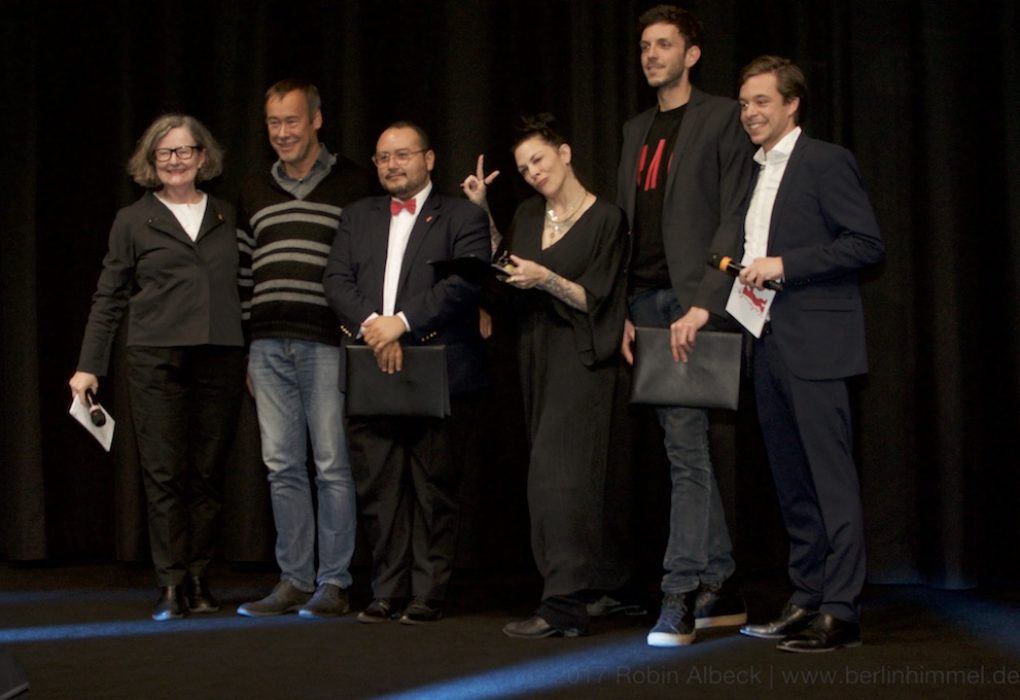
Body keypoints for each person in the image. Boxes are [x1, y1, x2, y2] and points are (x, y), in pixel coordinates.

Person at [615, 5, 755, 647]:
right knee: (683, 448)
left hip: (691, 302)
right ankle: (721, 583)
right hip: (644, 304)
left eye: (664, 44)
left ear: (691, 54)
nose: (651, 55)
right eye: (645, 45)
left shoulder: (721, 115)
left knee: (686, 450)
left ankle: (680, 590)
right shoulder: (634, 127)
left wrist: (706, 300)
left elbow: (735, 213)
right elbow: (625, 226)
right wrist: (620, 306)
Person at [734, 56, 883, 652]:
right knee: (791, 482)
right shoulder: (754, 172)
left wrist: (785, 266)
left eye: (762, 101)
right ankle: (808, 595)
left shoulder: (824, 160)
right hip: (765, 340)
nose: (750, 113)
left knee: (830, 479)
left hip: (818, 344)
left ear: (792, 104)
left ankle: (842, 609)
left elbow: (866, 243)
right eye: (744, 103)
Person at [69, 114, 245, 621]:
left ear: (203, 157)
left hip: (221, 357)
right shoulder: (132, 220)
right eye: (165, 153)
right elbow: (109, 296)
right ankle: (170, 583)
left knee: (208, 475)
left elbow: (246, 288)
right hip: (155, 359)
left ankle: (199, 577)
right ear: (151, 161)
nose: (175, 161)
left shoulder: (227, 215)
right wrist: (88, 365)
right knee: (165, 473)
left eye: (185, 151)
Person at [462, 115, 629, 638]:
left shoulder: (606, 218)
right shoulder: (530, 215)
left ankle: (563, 606)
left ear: (565, 152)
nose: (533, 172)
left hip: (581, 358)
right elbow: (506, 270)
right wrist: (482, 213)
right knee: (555, 480)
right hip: (535, 354)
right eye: (523, 167)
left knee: (559, 482)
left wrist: (548, 277)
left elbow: (598, 299)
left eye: (539, 159)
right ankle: (600, 588)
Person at [323, 122, 489, 625]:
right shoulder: (357, 215)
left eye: (402, 155)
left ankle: (429, 592)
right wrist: (376, 327)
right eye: (382, 158)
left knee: (434, 485)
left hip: (437, 365)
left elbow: (465, 282)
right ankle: (387, 589)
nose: (392, 165)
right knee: (380, 487)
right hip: (372, 362)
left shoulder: (462, 215)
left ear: (429, 159)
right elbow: (336, 279)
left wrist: (404, 324)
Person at [236, 80, 376, 619]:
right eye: (273, 123)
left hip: (328, 342)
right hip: (268, 345)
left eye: (292, 121)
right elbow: (245, 275)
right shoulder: (253, 187)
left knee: (331, 463)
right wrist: (251, 345)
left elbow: (370, 261)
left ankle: (334, 583)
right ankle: (294, 579)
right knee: (281, 466)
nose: (282, 133)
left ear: (316, 120)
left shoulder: (355, 182)